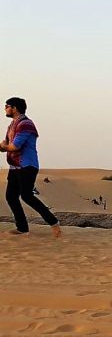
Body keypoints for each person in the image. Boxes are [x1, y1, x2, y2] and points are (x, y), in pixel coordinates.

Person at [2, 97, 61, 237]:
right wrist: (4, 146)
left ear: (15, 108)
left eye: (7, 106)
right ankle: (22, 228)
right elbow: (5, 142)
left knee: (27, 196)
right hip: (15, 167)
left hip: (27, 165)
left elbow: (14, 146)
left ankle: (54, 222)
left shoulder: (26, 124)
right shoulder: (11, 125)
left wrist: (5, 147)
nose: (5, 108)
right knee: (11, 196)